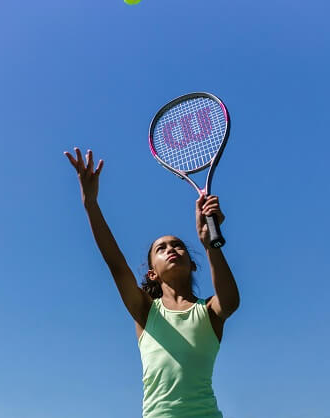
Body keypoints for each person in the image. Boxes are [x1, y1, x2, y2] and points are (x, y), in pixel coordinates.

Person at [64, 147, 240, 418]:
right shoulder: (146, 312)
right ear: (152, 274)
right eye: (161, 248)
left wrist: (210, 244)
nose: (171, 249)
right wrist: (91, 204)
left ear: (192, 264)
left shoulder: (208, 313)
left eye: (178, 245)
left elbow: (231, 301)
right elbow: (116, 264)